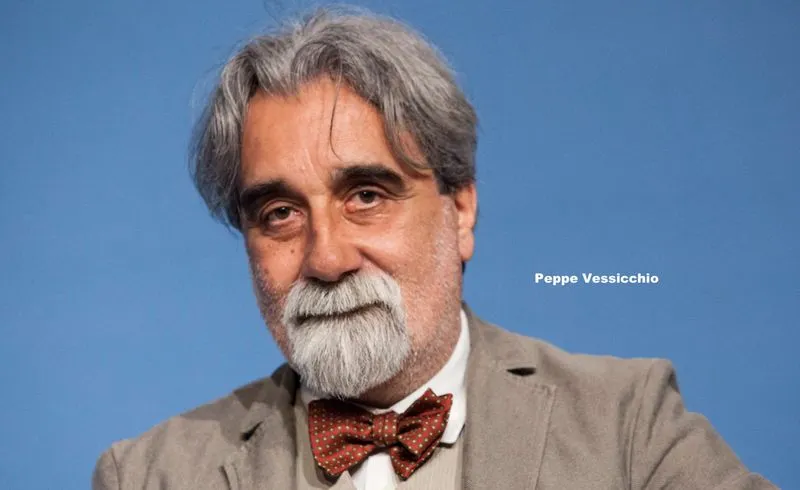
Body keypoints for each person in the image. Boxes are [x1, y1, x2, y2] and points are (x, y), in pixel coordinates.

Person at [92, 7, 777, 490]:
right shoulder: (148, 476)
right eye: (280, 213)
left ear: (461, 208)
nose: (326, 259)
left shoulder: (627, 425)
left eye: (366, 195)